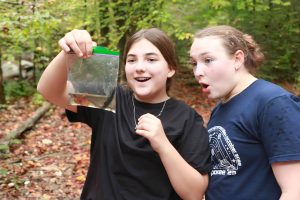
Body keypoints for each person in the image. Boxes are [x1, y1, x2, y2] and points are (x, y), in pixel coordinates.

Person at [37, 28, 211, 200]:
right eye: (132, 60)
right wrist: (67, 50)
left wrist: (162, 144)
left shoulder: (187, 118)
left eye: (151, 59)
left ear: (170, 68)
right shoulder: (110, 97)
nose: (140, 68)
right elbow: (48, 90)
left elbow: (194, 193)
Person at [189, 25, 300, 199]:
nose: (198, 72)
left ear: (238, 59)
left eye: (208, 60)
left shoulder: (273, 102)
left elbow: (294, 192)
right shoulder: (220, 108)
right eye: (194, 63)